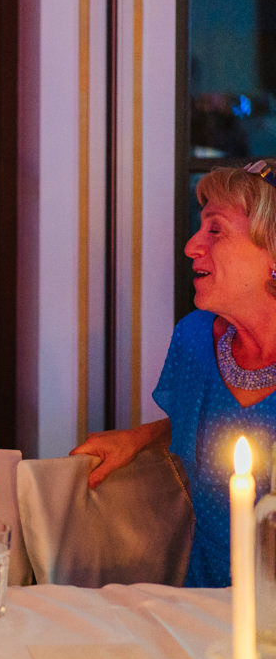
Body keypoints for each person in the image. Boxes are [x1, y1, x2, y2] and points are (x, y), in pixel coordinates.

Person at [71, 159, 276, 587]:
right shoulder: (195, 342)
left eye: (215, 230)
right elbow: (226, 421)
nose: (191, 246)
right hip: (201, 614)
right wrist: (140, 437)